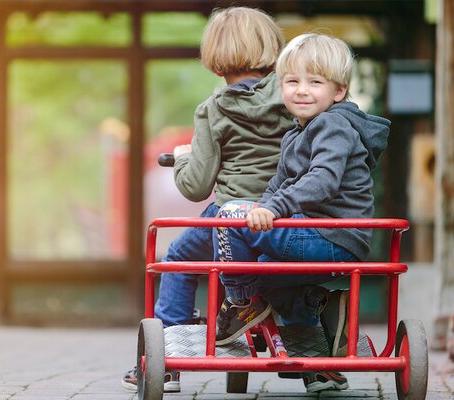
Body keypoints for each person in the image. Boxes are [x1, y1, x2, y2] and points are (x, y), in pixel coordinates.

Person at [122, 6, 293, 393]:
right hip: (285, 214)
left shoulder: (214, 109)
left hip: (231, 217)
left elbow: (196, 186)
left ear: (215, 59)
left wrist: (183, 160)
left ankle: (166, 363)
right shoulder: (292, 98)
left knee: (178, 260)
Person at [214, 33, 390, 393]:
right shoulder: (296, 135)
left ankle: (239, 303)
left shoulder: (333, 126)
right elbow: (276, 187)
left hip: (330, 235)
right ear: (280, 87)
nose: (302, 90)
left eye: (315, 82)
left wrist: (269, 210)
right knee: (263, 267)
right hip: (318, 235)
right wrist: (265, 207)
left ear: (338, 92)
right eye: (292, 81)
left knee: (228, 218)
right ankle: (318, 348)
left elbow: (322, 181)